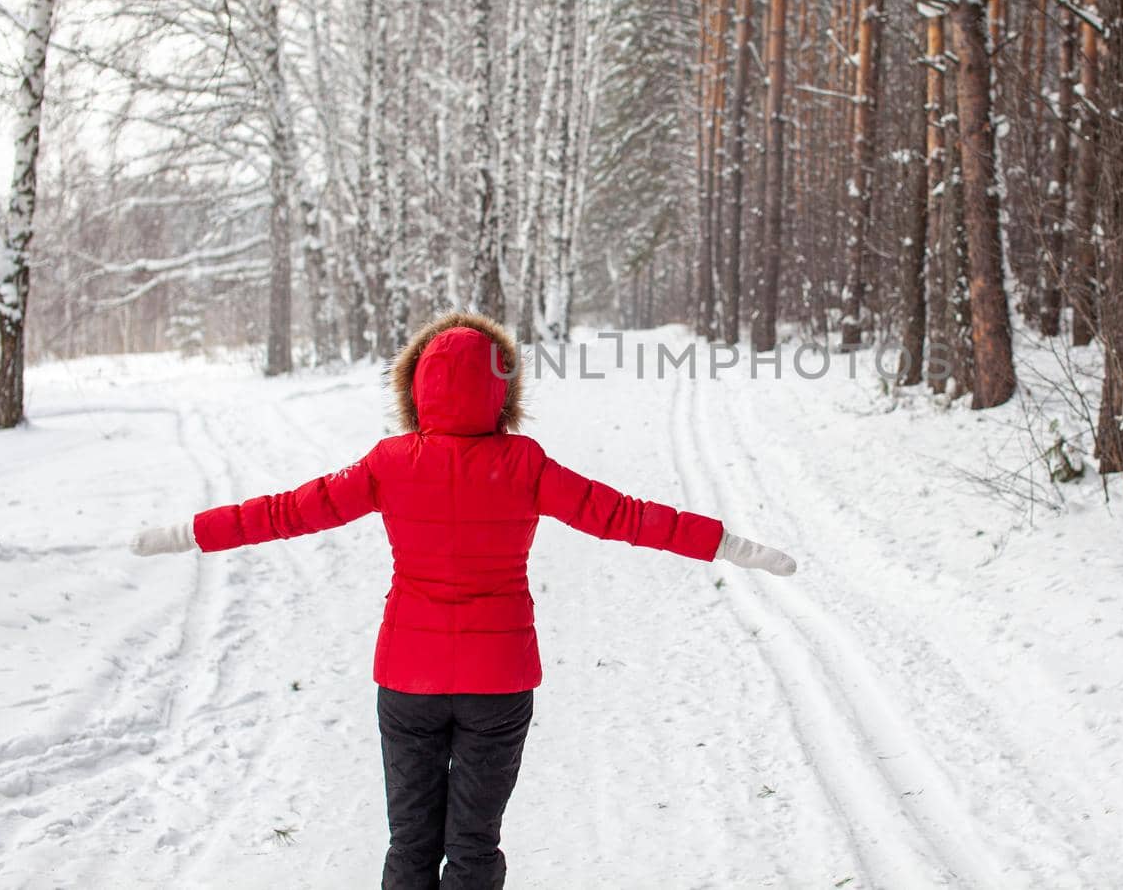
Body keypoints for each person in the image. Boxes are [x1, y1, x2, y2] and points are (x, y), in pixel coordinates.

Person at [131, 311, 797, 890]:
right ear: (503, 392)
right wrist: (730, 545)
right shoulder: (526, 463)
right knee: (475, 845)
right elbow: (624, 514)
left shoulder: (388, 463)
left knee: (409, 844)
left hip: (407, 679)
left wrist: (188, 531)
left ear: (415, 388)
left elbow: (283, 512)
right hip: (498, 685)